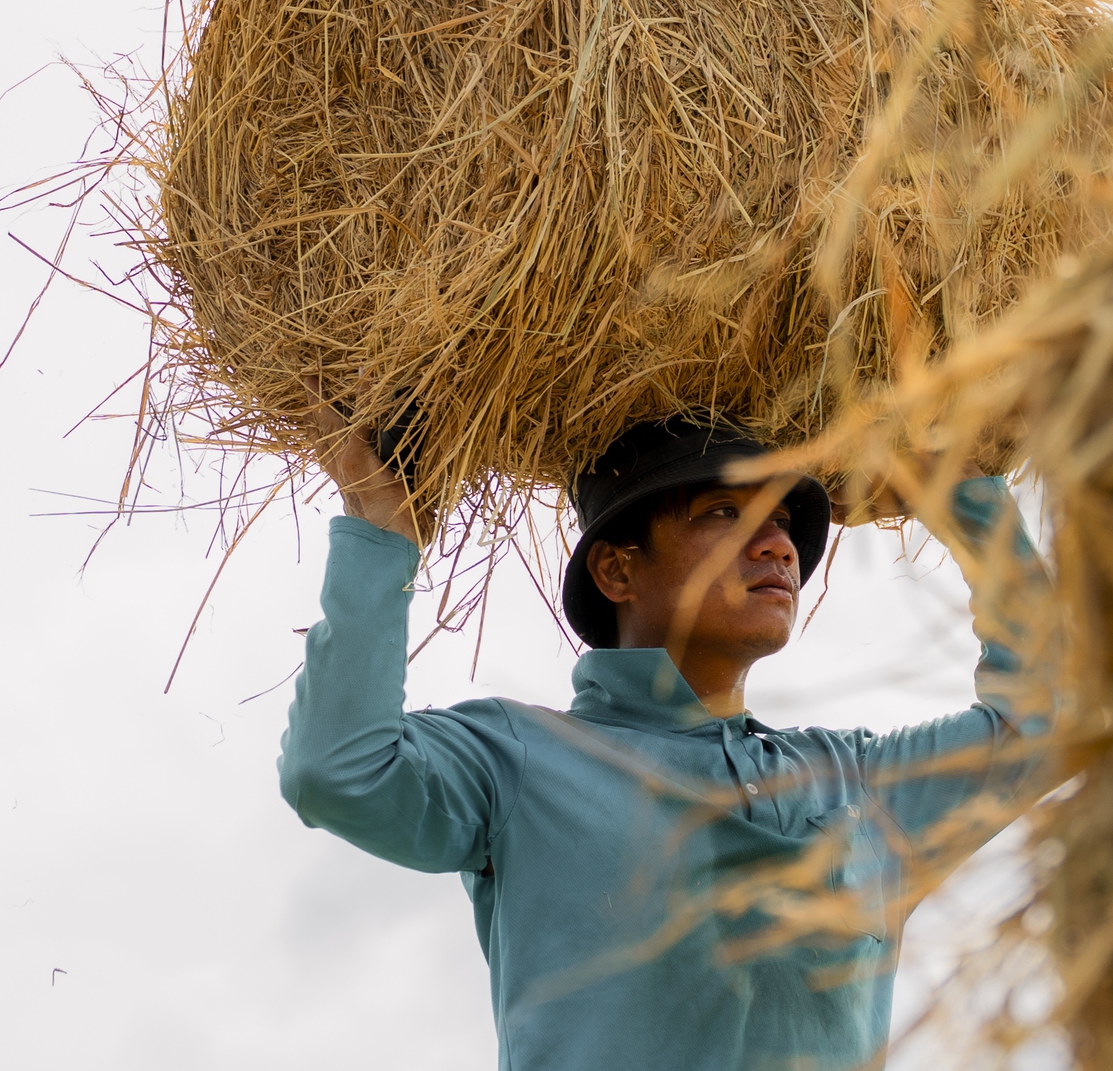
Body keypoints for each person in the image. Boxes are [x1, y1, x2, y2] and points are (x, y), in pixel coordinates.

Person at [277, 400, 1054, 1071]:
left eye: (783, 522)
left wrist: (965, 498)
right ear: (618, 571)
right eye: (724, 514)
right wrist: (383, 536)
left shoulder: (852, 782)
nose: (779, 545)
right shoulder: (520, 758)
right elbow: (336, 770)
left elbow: (1059, 713)